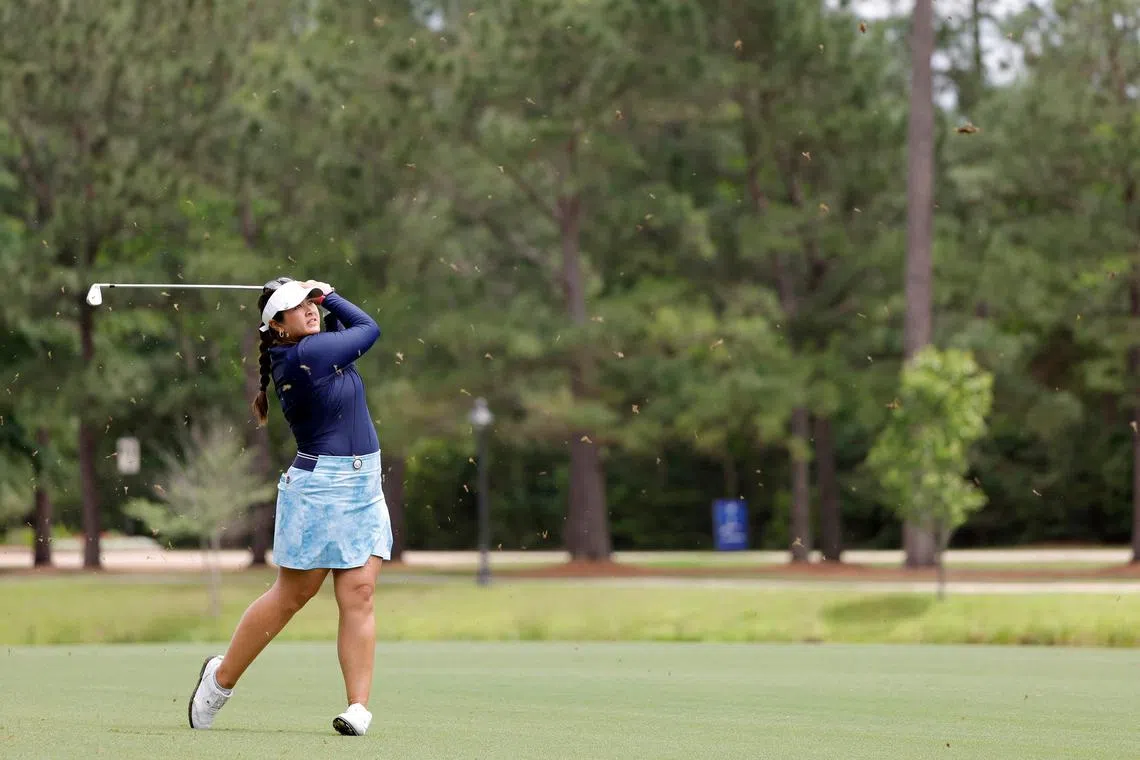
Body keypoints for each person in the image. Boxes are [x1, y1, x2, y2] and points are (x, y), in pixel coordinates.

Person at [188, 277, 393, 737]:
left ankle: (358, 707)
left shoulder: (316, 345)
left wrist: (320, 299)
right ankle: (220, 680)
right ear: (276, 326)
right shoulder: (303, 356)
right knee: (292, 596)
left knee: (358, 594)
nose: (310, 310)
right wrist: (331, 294)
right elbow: (368, 328)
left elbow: (348, 329)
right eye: (296, 307)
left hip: (363, 484)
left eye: (311, 304)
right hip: (321, 487)